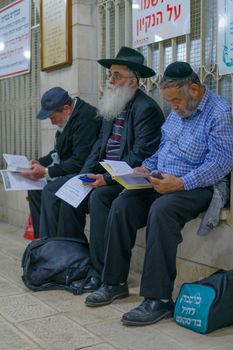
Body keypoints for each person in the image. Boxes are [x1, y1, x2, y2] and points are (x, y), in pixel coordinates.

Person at [85, 61, 233, 327]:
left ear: (195, 89)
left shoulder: (220, 112)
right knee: (123, 203)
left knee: (162, 210)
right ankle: (114, 282)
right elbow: (162, 150)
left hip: (199, 185)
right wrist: (147, 167)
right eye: (170, 102)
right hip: (162, 179)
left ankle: (158, 300)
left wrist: (181, 183)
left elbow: (220, 162)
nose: (173, 107)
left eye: (176, 100)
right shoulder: (177, 111)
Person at [39, 46, 164, 292]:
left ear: (132, 81)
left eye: (116, 76)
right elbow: (98, 150)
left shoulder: (146, 109)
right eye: (109, 75)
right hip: (106, 176)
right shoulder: (112, 106)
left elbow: (139, 156)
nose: (110, 80)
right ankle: (75, 264)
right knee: (68, 196)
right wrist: (80, 176)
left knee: (99, 199)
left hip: (130, 181)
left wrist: (105, 179)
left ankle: (100, 272)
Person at [22, 87, 101, 238]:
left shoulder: (87, 118)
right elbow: (58, 152)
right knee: (34, 189)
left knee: (50, 190)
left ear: (67, 109)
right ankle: (43, 241)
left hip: (87, 171)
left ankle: (54, 247)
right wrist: (38, 162)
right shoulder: (66, 119)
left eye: (52, 117)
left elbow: (79, 162)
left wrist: (45, 172)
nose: (52, 123)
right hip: (70, 168)